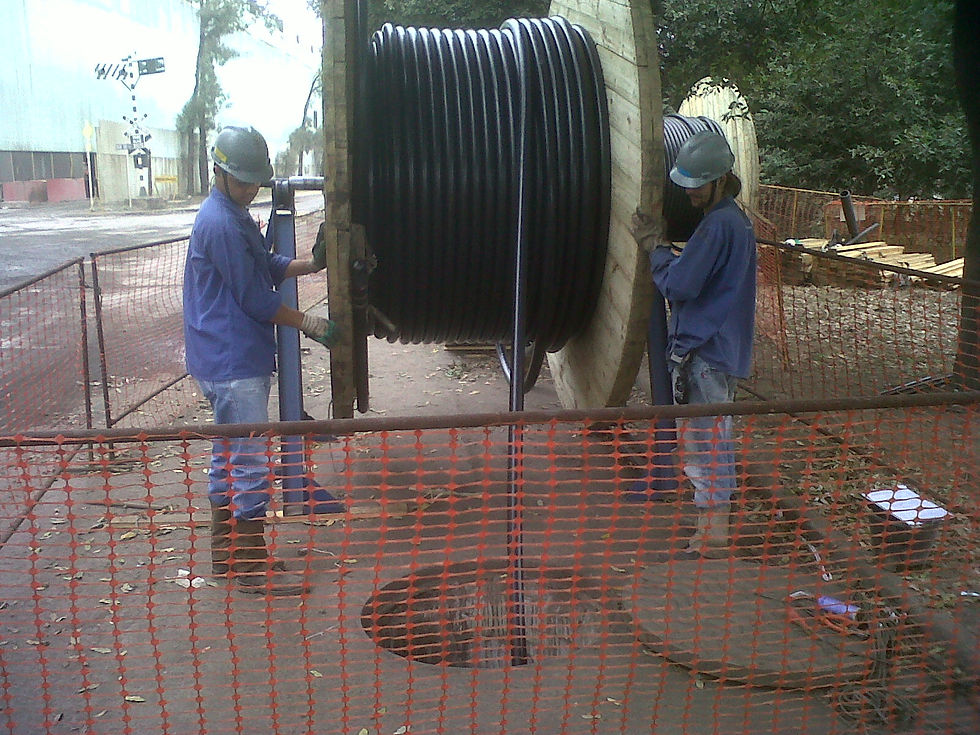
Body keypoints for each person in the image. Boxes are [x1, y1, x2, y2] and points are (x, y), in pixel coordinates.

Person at [183, 125, 339, 596]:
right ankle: (248, 567)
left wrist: (309, 266)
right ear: (219, 172)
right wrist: (308, 324)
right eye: (244, 180)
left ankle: (225, 559)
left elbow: (265, 265)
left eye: (256, 182)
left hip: (221, 354)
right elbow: (255, 297)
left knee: (227, 457)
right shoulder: (222, 223)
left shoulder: (231, 213)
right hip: (233, 359)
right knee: (248, 460)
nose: (252, 189)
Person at [635, 130, 757, 558]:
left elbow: (682, 285)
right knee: (713, 439)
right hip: (723, 349)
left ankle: (714, 535)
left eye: (696, 185)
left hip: (706, 351)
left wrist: (658, 250)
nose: (688, 194)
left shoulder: (719, 224)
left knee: (706, 443)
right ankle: (710, 527)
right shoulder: (735, 221)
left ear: (720, 180)